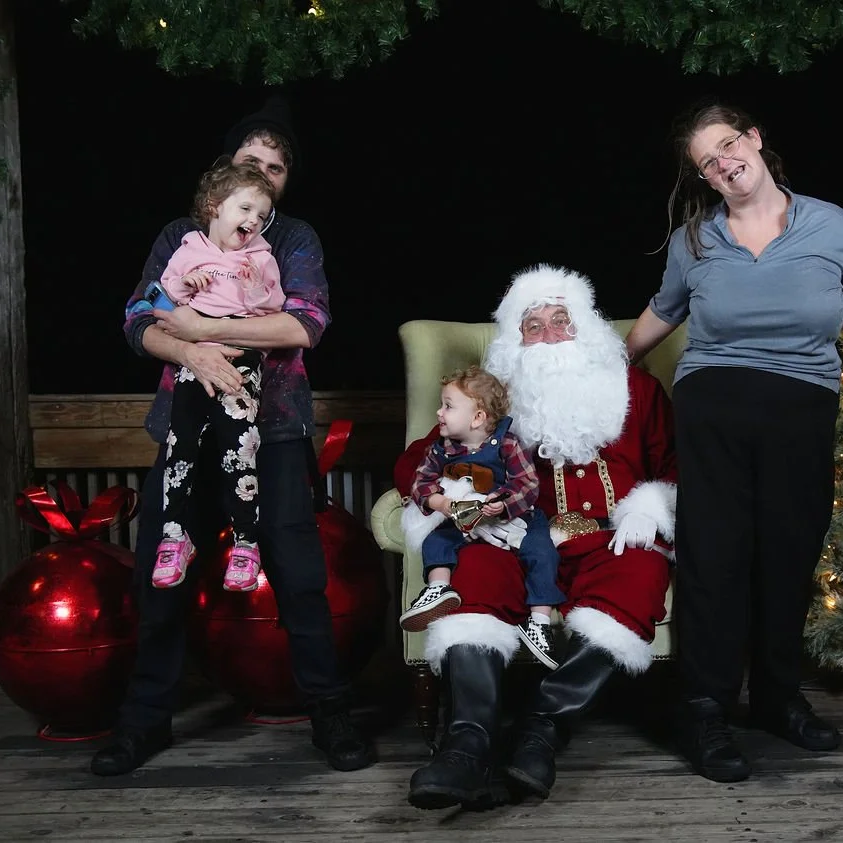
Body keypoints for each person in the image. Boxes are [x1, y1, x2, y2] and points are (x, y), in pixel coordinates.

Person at [91, 96, 374, 777]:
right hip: (187, 427)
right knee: (163, 569)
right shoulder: (179, 237)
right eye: (253, 162)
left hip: (271, 428)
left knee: (301, 577)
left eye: (277, 168)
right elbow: (139, 318)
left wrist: (200, 329)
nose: (266, 175)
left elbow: (302, 325)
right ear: (225, 171)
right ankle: (144, 721)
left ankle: (329, 713)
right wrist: (191, 353)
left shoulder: (294, 241)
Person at [625, 102, 843, 784]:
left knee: (789, 549)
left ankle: (775, 698)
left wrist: (793, 339)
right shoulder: (696, 240)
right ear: (704, 176)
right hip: (713, 403)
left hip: (801, 405)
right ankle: (704, 704)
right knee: (715, 554)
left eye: (729, 144)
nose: (724, 162)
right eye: (708, 160)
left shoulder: (834, 226)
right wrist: (613, 357)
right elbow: (664, 309)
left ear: (756, 139)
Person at [396, 264, 677, 809]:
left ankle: (539, 729)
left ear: (586, 331)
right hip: (519, 537)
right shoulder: (493, 403)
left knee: (641, 576)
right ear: (514, 342)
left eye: (560, 321)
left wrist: (655, 503)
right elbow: (417, 460)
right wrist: (447, 498)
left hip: (609, 539)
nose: (548, 335)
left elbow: (676, 465)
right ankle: (467, 742)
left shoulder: (638, 390)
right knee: (472, 575)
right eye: (533, 325)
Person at [151, 161, 284, 594]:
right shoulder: (188, 248)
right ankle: (175, 537)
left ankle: (246, 543)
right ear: (214, 206)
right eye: (245, 208)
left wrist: (254, 288)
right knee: (181, 444)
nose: (253, 221)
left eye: (261, 216)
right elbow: (157, 302)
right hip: (193, 362)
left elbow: (276, 307)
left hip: (240, 359)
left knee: (238, 448)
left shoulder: (260, 256)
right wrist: (184, 287)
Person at [399, 366, 566, 668]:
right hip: (464, 520)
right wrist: (442, 503)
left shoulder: (508, 444)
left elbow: (527, 484)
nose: (439, 412)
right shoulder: (442, 449)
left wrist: (502, 504)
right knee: (436, 540)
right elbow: (420, 483)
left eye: (448, 406)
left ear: (478, 418)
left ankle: (538, 623)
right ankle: (438, 588)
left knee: (542, 554)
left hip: (517, 519)